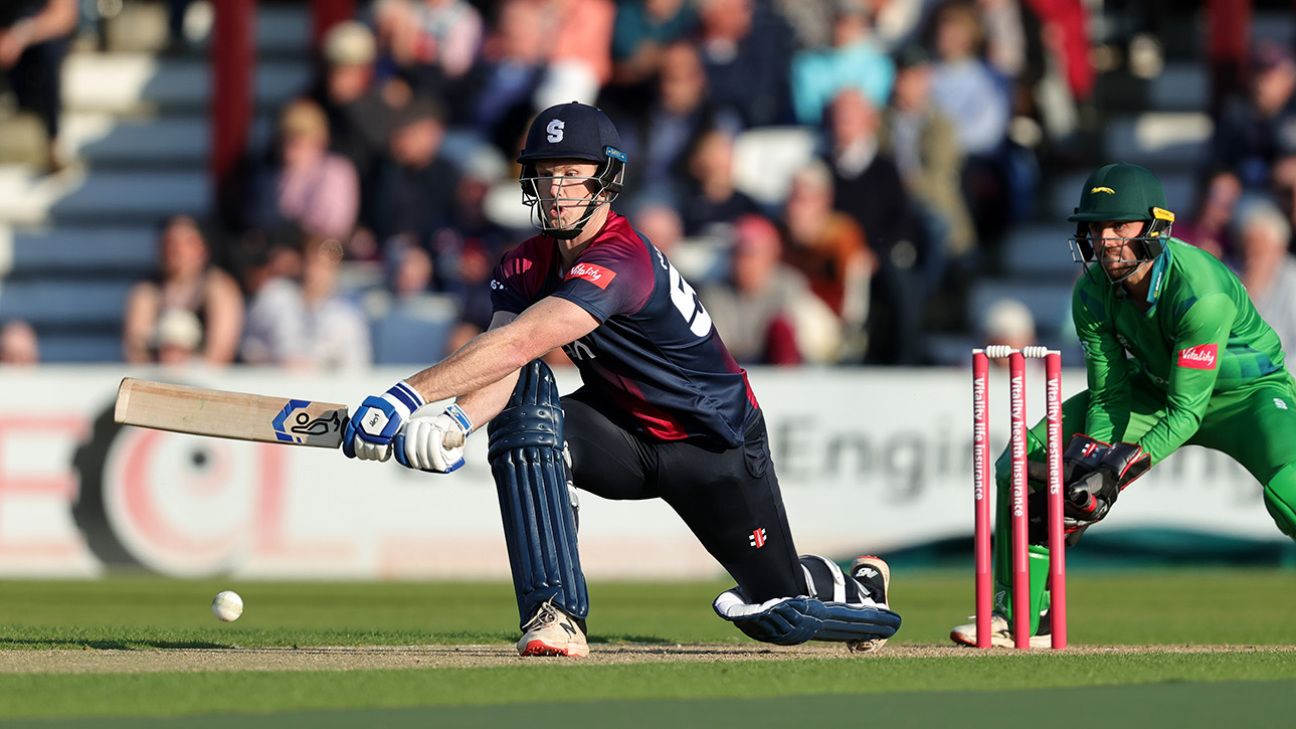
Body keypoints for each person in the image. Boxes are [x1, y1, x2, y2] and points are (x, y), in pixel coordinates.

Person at [341, 101, 900, 657]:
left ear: (605, 181)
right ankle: (555, 615)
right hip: (622, 433)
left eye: (572, 174)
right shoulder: (521, 263)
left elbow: (519, 342)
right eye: (546, 173)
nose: (557, 188)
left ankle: (862, 592)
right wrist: (456, 422)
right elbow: (504, 364)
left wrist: (405, 397)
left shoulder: (622, 259)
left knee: (777, 610)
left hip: (712, 445)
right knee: (530, 420)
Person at [951, 163, 1296, 648]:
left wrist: (1114, 472)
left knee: (1288, 492)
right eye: (1096, 226)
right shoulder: (1092, 292)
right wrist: (1085, 460)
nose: (1106, 238)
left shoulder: (1201, 293)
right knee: (1027, 462)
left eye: (1119, 225)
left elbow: (1187, 411)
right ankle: (1024, 612)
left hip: (1249, 396)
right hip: (1152, 389)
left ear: (1156, 228)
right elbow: (1110, 394)